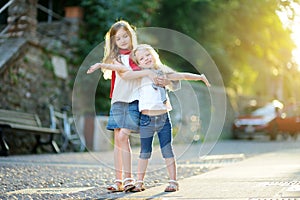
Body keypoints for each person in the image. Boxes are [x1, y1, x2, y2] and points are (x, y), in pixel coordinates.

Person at [90, 44, 211, 192]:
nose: (146, 59)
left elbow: (180, 75)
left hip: (163, 119)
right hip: (146, 120)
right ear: (138, 63)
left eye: (148, 55)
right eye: (141, 58)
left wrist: (199, 77)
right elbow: (122, 71)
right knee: (144, 152)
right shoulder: (139, 73)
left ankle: (173, 182)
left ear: (153, 55)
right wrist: (101, 65)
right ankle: (139, 182)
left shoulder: (162, 70)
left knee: (167, 150)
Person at [87, 21, 179, 193]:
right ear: (113, 41)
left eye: (125, 36)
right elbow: (126, 74)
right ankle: (119, 180)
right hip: (118, 99)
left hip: (135, 100)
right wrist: (148, 73)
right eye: (118, 38)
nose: (122, 40)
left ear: (131, 36)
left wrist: (162, 78)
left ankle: (129, 178)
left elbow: (157, 70)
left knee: (124, 134)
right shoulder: (114, 58)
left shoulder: (138, 55)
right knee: (118, 138)